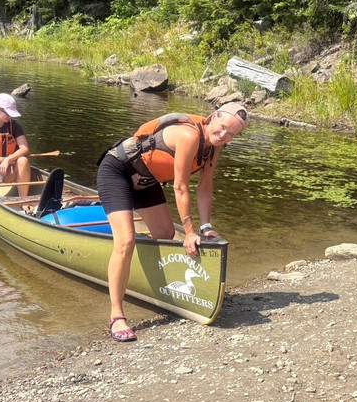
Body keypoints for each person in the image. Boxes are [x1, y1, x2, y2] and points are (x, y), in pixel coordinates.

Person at [97, 103, 249, 341]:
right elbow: (180, 187)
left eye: (231, 134)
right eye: (221, 128)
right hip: (119, 170)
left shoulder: (214, 147)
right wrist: (189, 231)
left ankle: (143, 279)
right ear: (212, 118)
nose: (223, 136)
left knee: (166, 233)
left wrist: (205, 227)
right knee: (126, 241)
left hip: (146, 181)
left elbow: (205, 187)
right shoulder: (189, 136)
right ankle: (117, 316)